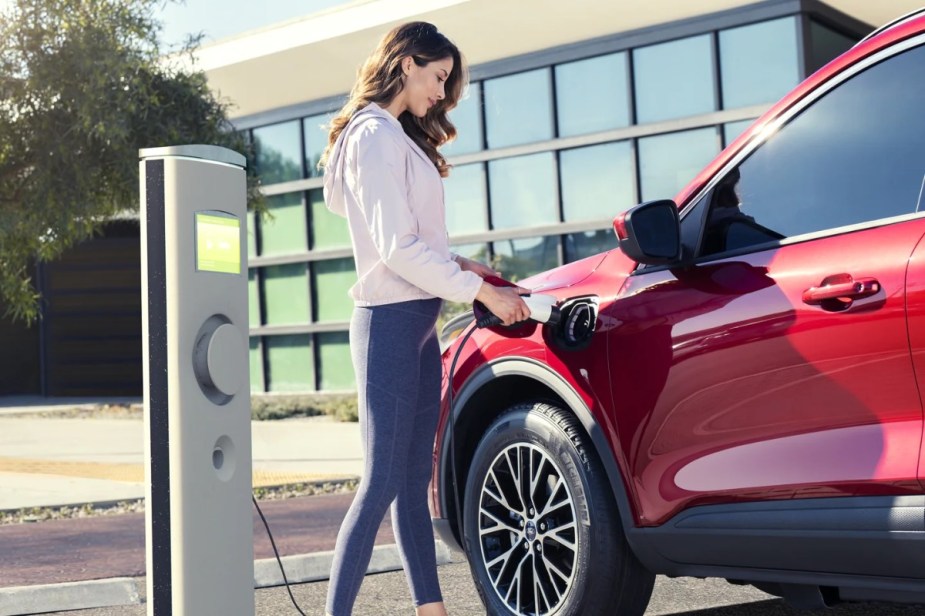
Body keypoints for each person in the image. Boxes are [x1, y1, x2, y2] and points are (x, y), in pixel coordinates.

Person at [317, 21, 530, 616]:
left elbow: (414, 241)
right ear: (408, 62)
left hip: (417, 323)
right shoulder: (371, 136)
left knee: (413, 485)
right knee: (381, 482)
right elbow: (395, 249)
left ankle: (430, 610)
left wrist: (466, 266)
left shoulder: (396, 138)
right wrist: (478, 295)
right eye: (438, 77)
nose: (441, 93)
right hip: (387, 322)